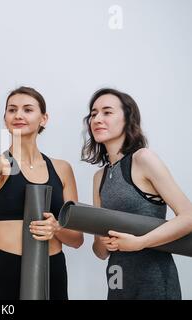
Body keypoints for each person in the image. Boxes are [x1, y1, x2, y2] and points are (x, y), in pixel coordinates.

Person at [0, 86, 83, 300]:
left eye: (27, 109)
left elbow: (76, 239)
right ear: (5, 119)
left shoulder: (62, 169)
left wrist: (56, 228)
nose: (18, 115)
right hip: (4, 270)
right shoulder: (0, 163)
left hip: (51, 270)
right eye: (12, 110)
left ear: (43, 118)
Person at [83, 88, 192, 300]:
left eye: (107, 112)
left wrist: (140, 242)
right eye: (93, 114)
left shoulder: (143, 159)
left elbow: (188, 217)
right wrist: (102, 242)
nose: (97, 119)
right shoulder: (99, 177)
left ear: (127, 118)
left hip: (155, 281)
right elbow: (100, 253)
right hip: (117, 282)